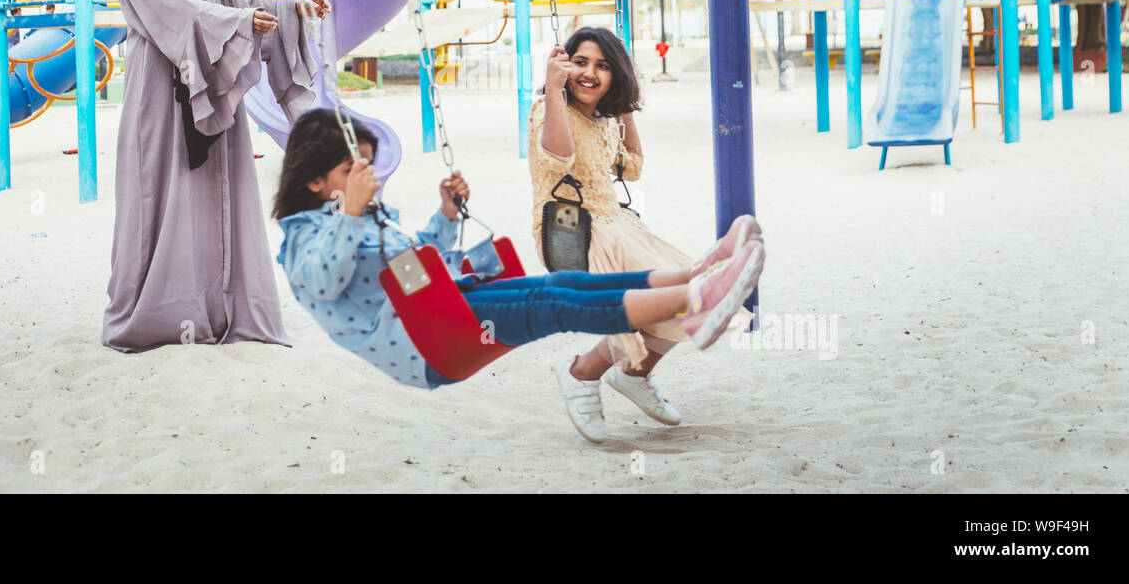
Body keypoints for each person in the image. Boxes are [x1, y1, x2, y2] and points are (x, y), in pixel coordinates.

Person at [273, 108, 765, 392]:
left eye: (369, 166)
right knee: (550, 305)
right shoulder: (303, 237)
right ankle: (694, 304)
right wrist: (352, 213)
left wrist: (445, 217)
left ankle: (691, 274)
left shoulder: (371, 216)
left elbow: (419, 268)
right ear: (315, 180)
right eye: (351, 170)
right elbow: (322, 278)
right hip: (424, 342)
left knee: (561, 284)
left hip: (437, 310)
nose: (368, 178)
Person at [103, 0, 328, 352]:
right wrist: (242, 22)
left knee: (213, 195)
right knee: (162, 198)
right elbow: (181, 13)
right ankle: (160, 313)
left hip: (213, 89)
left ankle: (217, 307)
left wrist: (292, 7)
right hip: (163, 99)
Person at [529, 26, 760, 443]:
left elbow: (631, 168)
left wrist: (625, 111)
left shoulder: (603, 120)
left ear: (615, 75)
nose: (589, 73)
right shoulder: (549, 109)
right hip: (574, 231)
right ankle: (581, 372)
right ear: (564, 65)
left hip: (619, 226)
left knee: (697, 297)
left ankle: (635, 373)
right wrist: (552, 87)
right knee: (651, 306)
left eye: (602, 66)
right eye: (580, 62)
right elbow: (559, 156)